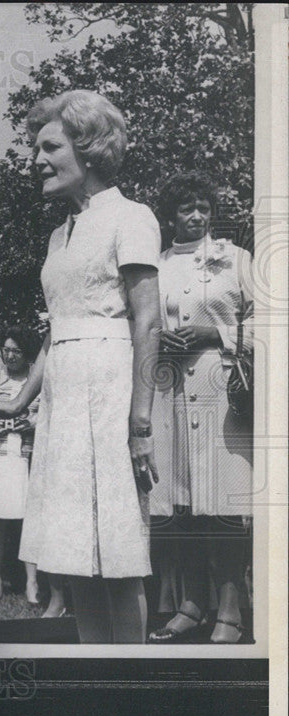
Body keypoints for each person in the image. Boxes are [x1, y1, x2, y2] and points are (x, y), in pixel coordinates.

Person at [0, 90, 162, 643]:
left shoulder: (132, 217)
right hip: (66, 399)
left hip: (111, 392)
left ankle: (131, 684)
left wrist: (140, 425)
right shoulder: (58, 234)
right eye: (35, 149)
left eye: (49, 147)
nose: (36, 161)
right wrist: (18, 400)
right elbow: (58, 329)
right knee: (75, 556)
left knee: (117, 553)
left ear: (90, 149)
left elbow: (148, 323)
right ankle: (97, 675)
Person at [147, 171, 254, 644]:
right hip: (168, 392)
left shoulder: (236, 259)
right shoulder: (156, 264)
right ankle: (192, 603)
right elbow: (142, 321)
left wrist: (219, 333)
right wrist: (157, 337)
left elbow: (271, 319)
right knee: (181, 506)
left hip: (221, 389)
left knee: (225, 505)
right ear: (170, 215)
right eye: (186, 207)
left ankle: (230, 608)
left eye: (203, 207)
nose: (196, 216)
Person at [0, 326, 42, 605]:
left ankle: (32, 581)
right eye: (6, 350)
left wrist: (29, 423)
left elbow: (44, 413)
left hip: (27, 454)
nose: (11, 355)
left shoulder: (36, 379)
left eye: (16, 350)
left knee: (31, 521)